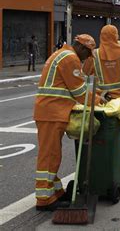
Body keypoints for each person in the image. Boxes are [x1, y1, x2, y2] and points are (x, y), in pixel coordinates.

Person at [34, 34, 99, 211]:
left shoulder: (61, 54)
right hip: (51, 112)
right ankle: (44, 199)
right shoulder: (70, 58)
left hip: (50, 112)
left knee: (52, 154)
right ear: (82, 47)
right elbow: (79, 91)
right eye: (88, 53)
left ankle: (55, 191)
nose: (87, 58)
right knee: (49, 155)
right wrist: (101, 102)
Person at [84, 25, 120, 172]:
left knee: (103, 128)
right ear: (115, 36)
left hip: (102, 99)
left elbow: (85, 72)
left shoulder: (94, 55)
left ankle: (103, 156)